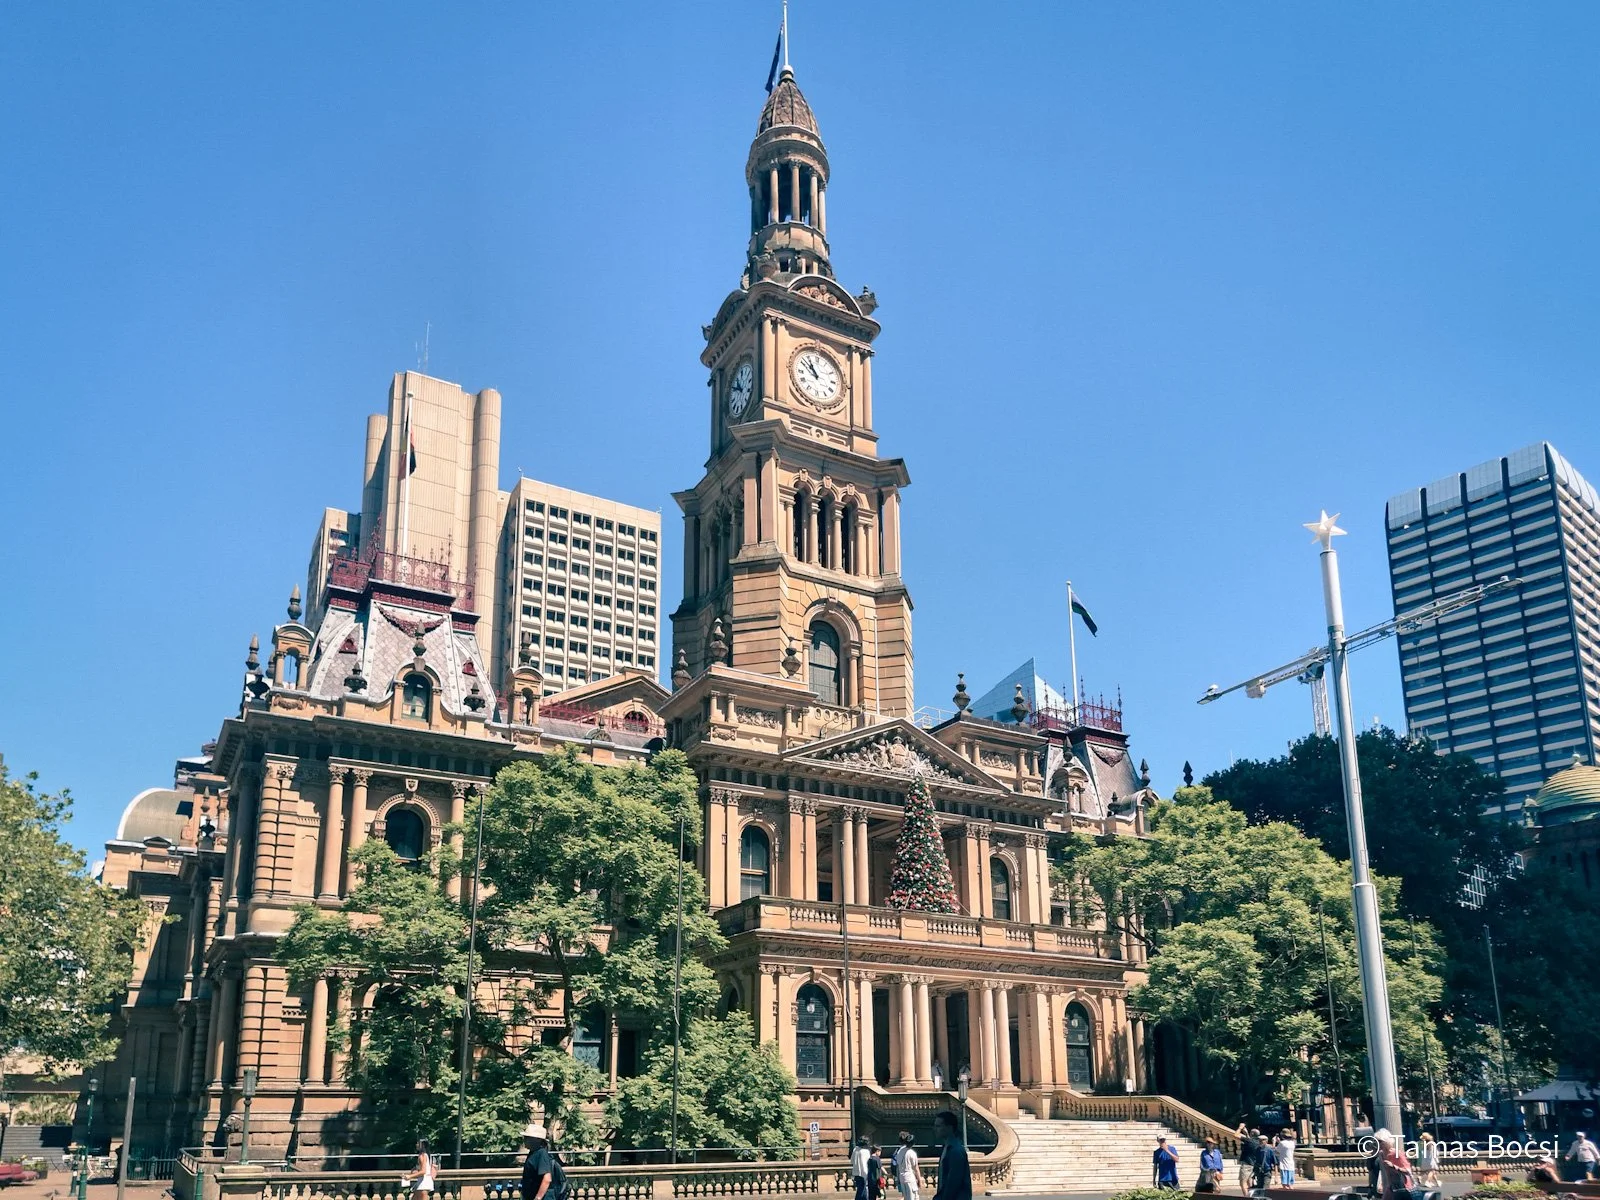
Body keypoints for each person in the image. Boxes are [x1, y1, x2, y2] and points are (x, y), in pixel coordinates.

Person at [931, 1112, 971, 1200]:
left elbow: (953, 1182)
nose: (935, 1129)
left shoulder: (955, 1151)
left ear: (949, 1127)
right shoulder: (947, 1148)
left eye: (938, 1126)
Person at [520, 1122, 565, 1200]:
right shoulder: (533, 1153)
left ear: (536, 1140)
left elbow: (547, 1178)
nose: (524, 1140)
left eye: (527, 1137)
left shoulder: (541, 1153)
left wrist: (538, 1197)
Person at [1375, 1130, 1415, 1200]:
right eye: (1377, 1141)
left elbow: (1408, 1171)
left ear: (1387, 1141)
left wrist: (1394, 1166)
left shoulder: (1397, 1154)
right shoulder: (1381, 1154)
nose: (1378, 1144)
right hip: (1391, 1187)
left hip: (1404, 1187)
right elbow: (1386, 1172)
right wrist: (1383, 1184)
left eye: (1380, 1142)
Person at [894, 1131, 921, 1200]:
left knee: (906, 1197)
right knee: (913, 1197)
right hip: (910, 1177)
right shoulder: (912, 1153)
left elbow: (898, 1165)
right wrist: (919, 1180)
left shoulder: (899, 1151)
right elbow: (916, 1168)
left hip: (902, 1177)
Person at [1236, 1125, 1258, 1195]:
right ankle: (1251, 1196)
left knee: (1243, 1182)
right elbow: (1250, 1142)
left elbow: (1235, 1135)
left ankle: (1246, 1197)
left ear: (1252, 1134)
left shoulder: (1249, 1141)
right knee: (1250, 1182)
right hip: (1253, 1165)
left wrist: (1240, 1127)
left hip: (1246, 1164)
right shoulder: (1257, 1142)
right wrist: (1247, 1134)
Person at [853, 1136, 873, 1200]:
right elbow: (868, 1163)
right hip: (864, 1173)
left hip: (856, 1172)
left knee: (860, 1189)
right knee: (862, 1191)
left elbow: (852, 1161)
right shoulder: (866, 1151)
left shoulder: (855, 1149)